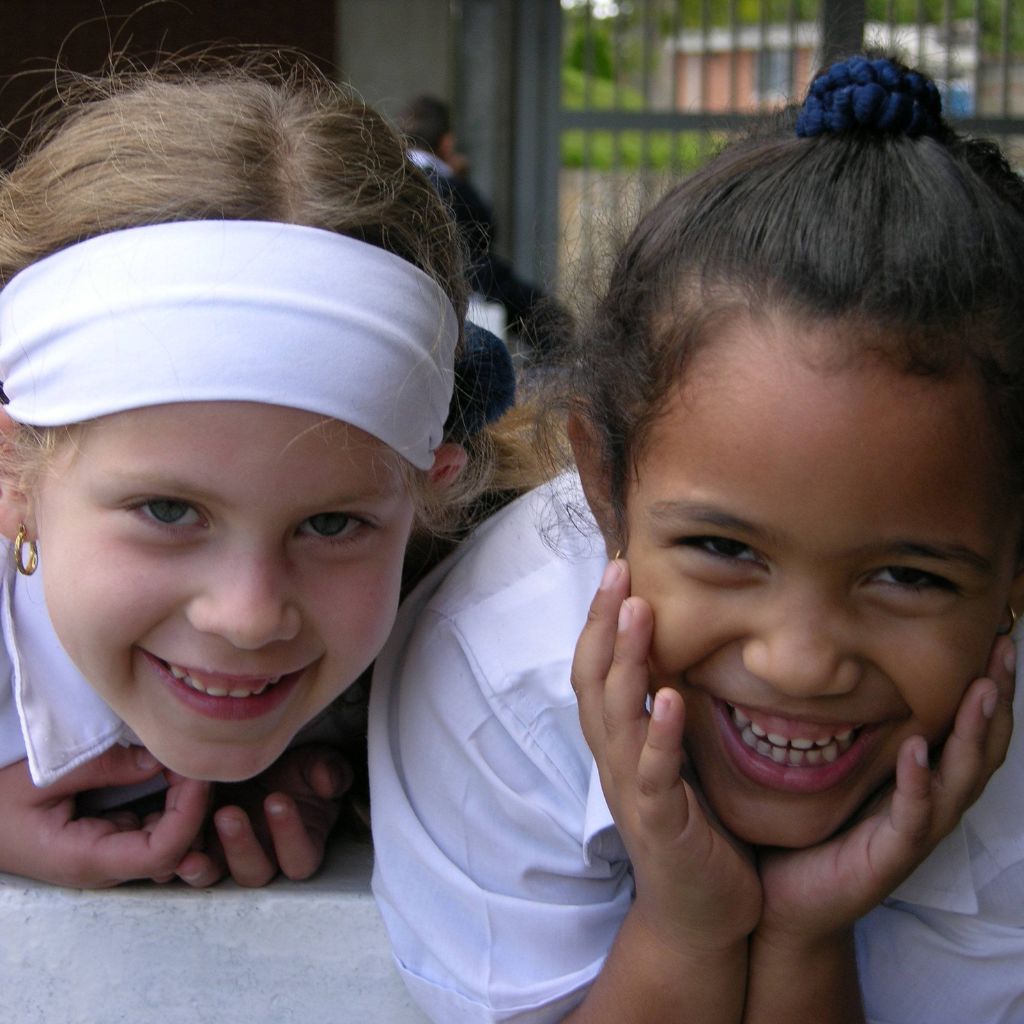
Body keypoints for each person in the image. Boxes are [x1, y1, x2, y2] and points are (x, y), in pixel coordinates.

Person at [370, 55, 1024, 1023]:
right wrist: (690, 923)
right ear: (604, 488)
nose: (799, 662)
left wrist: (804, 934)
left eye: (905, 575)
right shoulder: (494, 679)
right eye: (725, 550)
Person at [0, 57, 524, 890]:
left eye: (330, 525)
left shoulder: (479, 653)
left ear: (429, 494)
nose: (247, 618)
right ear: (13, 477)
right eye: (168, 510)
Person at [399, 95, 570, 361]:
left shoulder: (393, 178)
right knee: (553, 321)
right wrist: (460, 178)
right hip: (470, 284)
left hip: (406, 288)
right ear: (447, 143)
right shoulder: (447, 183)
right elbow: (484, 231)